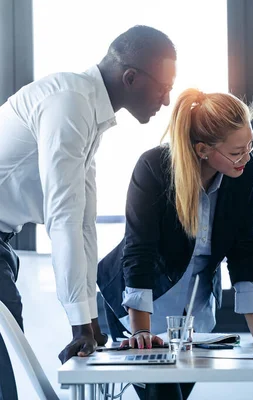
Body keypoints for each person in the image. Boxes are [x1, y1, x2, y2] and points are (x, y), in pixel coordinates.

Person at [0, 25, 176, 399]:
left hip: (3, 243)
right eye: (163, 87)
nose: (166, 100)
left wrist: (90, 322)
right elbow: (62, 217)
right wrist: (80, 323)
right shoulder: (69, 103)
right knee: (5, 374)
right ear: (130, 77)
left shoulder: (88, 114)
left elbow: (84, 225)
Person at [98, 88, 253, 400]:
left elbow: (244, 246)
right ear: (203, 149)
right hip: (140, 305)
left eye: (249, 145)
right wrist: (141, 332)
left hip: (194, 311)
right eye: (235, 151)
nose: (245, 157)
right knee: (163, 395)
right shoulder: (155, 168)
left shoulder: (243, 171)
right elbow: (139, 251)